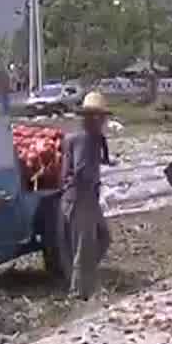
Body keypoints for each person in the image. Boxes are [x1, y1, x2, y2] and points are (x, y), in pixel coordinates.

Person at [59, 92, 113, 299]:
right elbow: (81, 169)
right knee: (83, 247)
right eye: (100, 117)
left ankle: (83, 277)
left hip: (85, 197)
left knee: (103, 238)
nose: (103, 121)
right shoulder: (84, 139)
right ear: (92, 118)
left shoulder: (91, 138)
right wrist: (90, 183)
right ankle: (77, 293)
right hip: (81, 197)